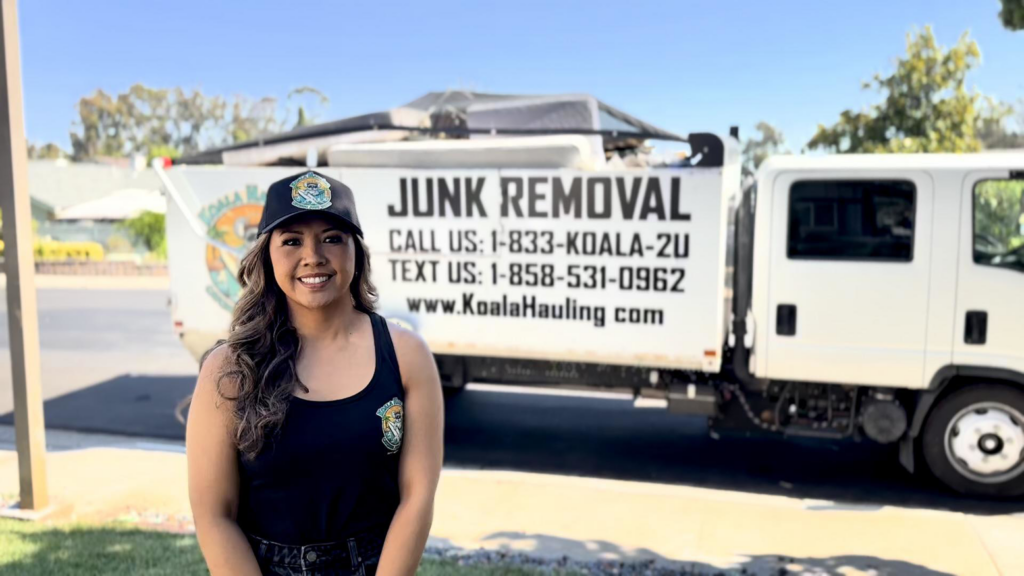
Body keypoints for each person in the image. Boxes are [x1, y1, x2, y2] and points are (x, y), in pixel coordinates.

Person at [186, 170, 444, 575]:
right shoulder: (230, 369)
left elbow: (418, 496)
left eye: (332, 238)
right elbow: (215, 515)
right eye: (291, 241)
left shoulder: (406, 355)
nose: (313, 256)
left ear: (356, 251)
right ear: (266, 256)